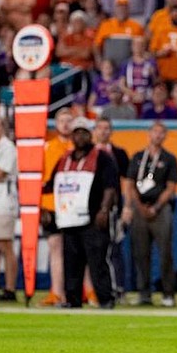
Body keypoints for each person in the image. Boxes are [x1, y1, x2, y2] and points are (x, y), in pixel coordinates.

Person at [45, 117, 117, 309]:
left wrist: (104, 210)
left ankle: (105, 298)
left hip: (93, 218)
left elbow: (111, 187)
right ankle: (73, 299)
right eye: (76, 133)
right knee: (72, 263)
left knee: (97, 262)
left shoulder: (101, 157)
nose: (80, 137)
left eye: (84, 133)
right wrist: (44, 207)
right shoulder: (64, 159)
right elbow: (50, 186)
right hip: (69, 218)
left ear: (90, 135)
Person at [125, 122, 177, 307]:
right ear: (148, 134)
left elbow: (171, 187)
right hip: (140, 207)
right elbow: (130, 184)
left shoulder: (169, 158)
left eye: (161, 132)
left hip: (160, 209)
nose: (157, 136)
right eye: (154, 132)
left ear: (165, 136)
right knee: (141, 253)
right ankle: (144, 293)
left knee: (165, 252)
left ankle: (168, 293)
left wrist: (156, 207)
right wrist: (136, 207)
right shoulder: (138, 157)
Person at [39, 108, 74, 307]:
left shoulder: (79, 147)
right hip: (52, 205)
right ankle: (57, 292)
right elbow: (41, 180)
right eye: (62, 120)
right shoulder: (48, 147)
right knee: (55, 248)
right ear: (56, 123)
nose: (65, 124)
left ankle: (84, 290)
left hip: (73, 206)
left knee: (78, 250)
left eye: (69, 120)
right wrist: (41, 207)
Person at [94, 118, 130, 304]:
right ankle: (94, 289)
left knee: (114, 248)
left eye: (107, 128)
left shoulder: (119, 154)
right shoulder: (89, 154)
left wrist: (128, 207)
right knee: (94, 250)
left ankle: (118, 288)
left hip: (114, 208)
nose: (103, 132)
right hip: (91, 207)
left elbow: (129, 181)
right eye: (100, 128)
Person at [0, 117, 18, 301]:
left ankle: (9, 288)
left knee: (5, 245)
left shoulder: (8, 148)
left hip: (3, 202)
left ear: (4, 128)